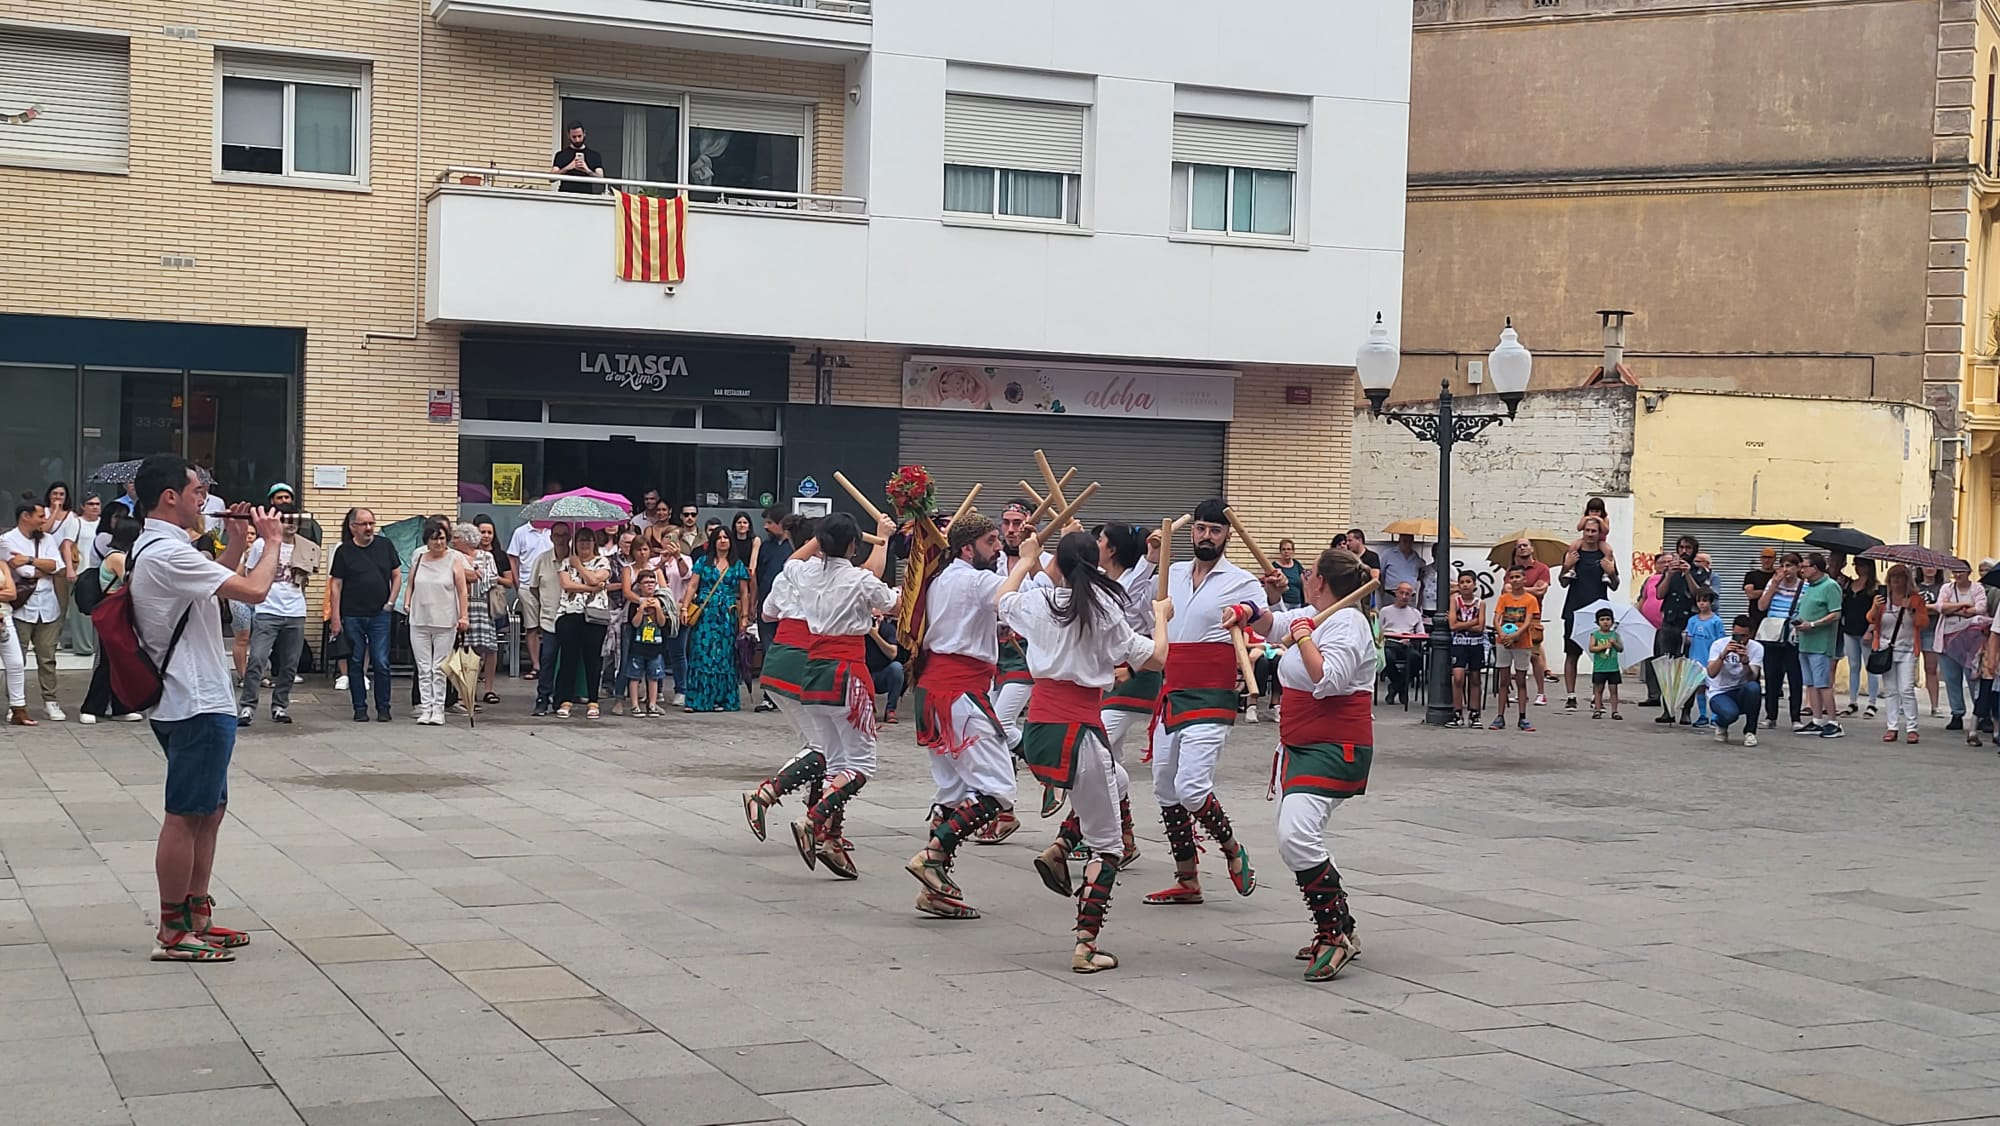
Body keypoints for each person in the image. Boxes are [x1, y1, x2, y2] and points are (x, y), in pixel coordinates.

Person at [130, 454, 285, 962]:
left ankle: (198, 914)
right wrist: (273, 541)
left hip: (201, 696)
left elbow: (208, 588)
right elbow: (256, 591)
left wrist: (239, 541)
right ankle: (173, 930)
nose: (205, 501)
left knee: (209, 812)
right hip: (192, 699)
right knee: (185, 814)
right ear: (170, 496)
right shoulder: (164, 551)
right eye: (198, 492)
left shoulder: (169, 548)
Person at [1005, 529, 1168, 973]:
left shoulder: (1038, 602)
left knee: (1116, 780)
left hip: (1039, 728)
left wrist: (1024, 559)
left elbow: (1003, 599)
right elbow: (1155, 657)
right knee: (1109, 846)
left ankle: (1060, 848)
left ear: (1056, 565)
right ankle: (1085, 945)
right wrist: (1162, 616)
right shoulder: (1105, 609)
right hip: (1078, 731)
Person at [1235, 548, 1374, 981]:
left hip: (1336, 745)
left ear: (1322, 582)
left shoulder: (1349, 623)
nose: (1305, 576)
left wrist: (1304, 635)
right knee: (1292, 836)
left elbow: (1327, 678)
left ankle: (1335, 933)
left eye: (1310, 572)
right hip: (1301, 744)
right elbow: (1272, 624)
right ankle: (1339, 926)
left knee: (1297, 836)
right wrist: (1249, 608)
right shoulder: (1319, 613)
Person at [1147, 498, 1286, 906]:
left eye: (1215, 530)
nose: (1206, 536)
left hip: (1211, 692)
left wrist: (1273, 597)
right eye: (1201, 528)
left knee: (1191, 788)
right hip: (1173, 689)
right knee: (1163, 786)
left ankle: (1230, 849)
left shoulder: (1241, 580)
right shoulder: (1169, 573)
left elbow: (1270, 619)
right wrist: (1149, 560)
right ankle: (1187, 878)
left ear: (1227, 535)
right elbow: (1141, 612)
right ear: (1191, 531)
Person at [903, 513, 1013, 919]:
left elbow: (970, 619)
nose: (998, 547)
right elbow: (1017, 596)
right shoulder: (976, 580)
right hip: (961, 692)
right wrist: (1037, 559)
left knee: (952, 790)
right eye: (990, 541)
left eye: (999, 541)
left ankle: (934, 892)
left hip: (935, 690)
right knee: (998, 789)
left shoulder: (942, 578)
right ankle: (933, 856)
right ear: (967, 548)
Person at [784, 512, 899, 878]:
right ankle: (814, 819)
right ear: (853, 545)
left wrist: (822, 536)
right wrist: (884, 538)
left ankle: (832, 837)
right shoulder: (859, 578)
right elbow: (891, 600)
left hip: (815, 674)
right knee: (862, 765)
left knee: (837, 765)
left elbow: (793, 561)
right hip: (847, 673)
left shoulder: (805, 573)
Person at [741, 515, 828, 846]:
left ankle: (815, 819)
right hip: (804, 664)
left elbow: (768, 614)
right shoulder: (824, 573)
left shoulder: (787, 573)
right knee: (823, 748)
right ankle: (766, 794)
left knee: (817, 745)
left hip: (780, 661)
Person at [1085, 522, 1160, 864]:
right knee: (1109, 760)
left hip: (1135, 675)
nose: (1095, 544)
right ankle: (1122, 838)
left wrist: (1151, 559)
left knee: (1095, 749)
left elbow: (1141, 610)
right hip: (1108, 678)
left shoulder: (1138, 583)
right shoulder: (1102, 579)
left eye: (1099, 540)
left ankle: (1076, 834)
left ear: (1112, 548)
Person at [236, 504, 311, 725]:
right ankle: (248, 706)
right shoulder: (262, 544)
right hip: (268, 609)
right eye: (286, 519)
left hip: (295, 610)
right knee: (258, 658)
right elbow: (250, 572)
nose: (291, 524)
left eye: (294, 520)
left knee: (289, 662)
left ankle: (280, 705)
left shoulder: (303, 546)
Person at [328, 508, 403, 723]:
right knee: (356, 661)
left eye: (371, 523)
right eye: (364, 524)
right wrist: (335, 616)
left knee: (381, 661)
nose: (369, 528)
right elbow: (336, 584)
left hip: (380, 613)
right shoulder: (344, 551)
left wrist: (391, 602)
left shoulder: (384, 545)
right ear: (353, 527)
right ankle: (359, 708)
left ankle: (383, 708)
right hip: (352, 614)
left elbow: (396, 575)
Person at [398, 517, 469, 726]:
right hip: (419, 618)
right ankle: (425, 707)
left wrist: (463, 616)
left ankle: (438, 709)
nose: (438, 543)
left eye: (442, 539)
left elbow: (462, 589)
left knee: (439, 667)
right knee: (423, 667)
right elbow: (410, 582)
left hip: (445, 620)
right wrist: (408, 602)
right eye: (434, 539)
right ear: (426, 540)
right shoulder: (418, 557)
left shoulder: (453, 559)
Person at [4, 501, 65, 720]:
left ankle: (51, 700)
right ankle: (16, 703)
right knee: (16, 659)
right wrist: (40, 567)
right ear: (25, 516)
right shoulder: (7, 539)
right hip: (22, 606)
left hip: (48, 605)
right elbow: (23, 571)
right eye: (40, 516)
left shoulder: (47, 539)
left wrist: (30, 560)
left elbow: (57, 567)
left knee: (47, 656)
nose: (44, 520)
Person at [683, 525, 751, 713]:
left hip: (727, 614)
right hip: (705, 612)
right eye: (719, 537)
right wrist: (684, 608)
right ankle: (698, 700)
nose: (723, 540)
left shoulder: (737, 565)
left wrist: (744, 617)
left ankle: (721, 699)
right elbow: (692, 585)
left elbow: (745, 593)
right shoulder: (703, 562)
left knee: (724, 656)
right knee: (701, 653)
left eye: (726, 537)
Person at [1557, 516, 1620, 712]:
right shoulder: (1573, 553)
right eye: (1587, 531)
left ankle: (1596, 696)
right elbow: (1563, 582)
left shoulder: (1606, 555)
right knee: (1572, 654)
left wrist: (1610, 572)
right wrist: (1566, 566)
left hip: (1598, 612)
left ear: (1599, 533)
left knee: (1600, 654)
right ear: (1582, 532)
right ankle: (1571, 696)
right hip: (1573, 610)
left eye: (1594, 531)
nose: (1590, 534)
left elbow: (1615, 585)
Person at [552, 526, 612, 719]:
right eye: (580, 540)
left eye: (588, 540)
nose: (584, 543)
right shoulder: (566, 562)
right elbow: (567, 585)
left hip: (594, 616)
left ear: (594, 543)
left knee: (593, 660)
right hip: (569, 614)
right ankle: (565, 699)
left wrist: (579, 567)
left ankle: (593, 700)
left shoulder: (602, 561)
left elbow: (597, 578)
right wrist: (591, 588)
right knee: (569, 658)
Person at [1651, 535, 1712, 722]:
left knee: (1688, 668)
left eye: (1688, 548)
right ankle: (1668, 709)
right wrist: (1669, 574)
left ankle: (1686, 710)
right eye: (1681, 547)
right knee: (1666, 665)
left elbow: (1698, 596)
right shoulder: (1669, 571)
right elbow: (1660, 594)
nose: (1684, 551)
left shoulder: (1700, 573)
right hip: (1670, 622)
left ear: (1694, 551)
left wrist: (1688, 575)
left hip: (1690, 624)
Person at [1868, 563, 1928, 744]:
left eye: (1899, 577)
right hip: (1886, 648)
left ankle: (1912, 728)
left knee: (1906, 689)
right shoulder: (1882, 598)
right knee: (1891, 690)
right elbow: (1870, 619)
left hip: (1908, 649)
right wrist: (1875, 607)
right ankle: (1892, 726)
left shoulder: (1916, 599)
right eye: (1892, 577)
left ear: (1906, 580)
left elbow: (1923, 622)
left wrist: (1912, 609)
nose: (1895, 580)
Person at [1794, 552, 1846, 739]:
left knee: (1823, 683)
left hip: (1821, 643)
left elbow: (1835, 613)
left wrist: (1813, 624)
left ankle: (1833, 722)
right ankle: (1817, 720)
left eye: (1805, 566)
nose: (1802, 570)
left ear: (1815, 568)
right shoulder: (1809, 586)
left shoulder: (1830, 586)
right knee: (1811, 683)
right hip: (1805, 642)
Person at [450, 522, 499, 713]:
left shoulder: (487, 556)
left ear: (466, 539)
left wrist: (472, 577)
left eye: (456, 537)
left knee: (482, 650)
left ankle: (481, 691)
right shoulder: (454, 556)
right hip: (462, 606)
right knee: (463, 651)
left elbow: (490, 578)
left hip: (482, 607)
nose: (453, 541)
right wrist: (472, 576)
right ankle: (464, 696)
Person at [527, 523, 573, 716]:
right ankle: (542, 698)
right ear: (551, 537)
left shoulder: (576, 559)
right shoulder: (542, 559)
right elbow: (533, 588)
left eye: (564, 535)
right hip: (549, 618)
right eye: (557, 535)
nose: (561, 539)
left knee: (568, 662)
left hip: (571, 618)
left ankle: (562, 699)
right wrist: (545, 604)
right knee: (547, 660)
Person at [1756, 553, 1806, 731]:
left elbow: (1806, 609)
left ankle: (1795, 717)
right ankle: (1770, 716)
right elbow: (1761, 606)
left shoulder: (1804, 586)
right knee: (1771, 676)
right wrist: (1773, 586)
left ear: (1799, 567)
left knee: (1795, 677)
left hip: (1792, 635)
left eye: (1791, 566)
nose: (1787, 569)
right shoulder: (1773, 583)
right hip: (1772, 634)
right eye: (1784, 565)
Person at [1936, 562, 1984, 744]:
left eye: (1961, 571)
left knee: (1973, 678)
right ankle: (1957, 713)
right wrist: (1964, 606)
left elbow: (1981, 608)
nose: (1958, 574)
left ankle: (1979, 714)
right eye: (1955, 571)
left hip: (1971, 640)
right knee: (1951, 678)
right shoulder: (1946, 588)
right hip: (1947, 638)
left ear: (1969, 572)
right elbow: (1941, 607)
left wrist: (1954, 608)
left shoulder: (1977, 588)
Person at [1488, 566, 1537, 732]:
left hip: (1522, 643)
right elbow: (1496, 619)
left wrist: (1515, 636)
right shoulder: (1504, 598)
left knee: (1521, 680)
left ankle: (1522, 716)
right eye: (1512, 577)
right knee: (1503, 680)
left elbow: (1528, 621)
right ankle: (1500, 715)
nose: (1515, 580)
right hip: (1503, 642)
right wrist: (1502, 634)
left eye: (1518, 577)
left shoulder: (1530, 599)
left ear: (1524, 579)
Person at [1506, 539, 1555, 705]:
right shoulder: (1512, 569)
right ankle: (1522, 693)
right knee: (1518, 655)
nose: (1522, 548)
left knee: (1535, 655)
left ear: (1532, 549)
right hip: (1513, 615)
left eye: (1525, 545)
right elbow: (1505, 590)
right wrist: (1530, 589)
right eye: (1519, 546)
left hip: (1533, 616)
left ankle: (1541, 693)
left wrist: (1518, 588)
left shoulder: (1542, 569)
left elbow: (1541, 590)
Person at [1705, 614, 1765, 746]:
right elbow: (1711, 673)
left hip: (1741, 690)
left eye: (1744, 636)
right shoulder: (1718, 644)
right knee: (1730, 714)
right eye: (1736, 635)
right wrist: (1723, 655)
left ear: (1751, 634)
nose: (1740, 641)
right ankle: (1721, 724)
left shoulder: (1757, 648)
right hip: (1720, 692)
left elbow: (1752, 677)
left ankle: (1750, 732)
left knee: (1754, 687)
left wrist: (1745, 663)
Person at [507, 516, 554, 680]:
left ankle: (550, 664)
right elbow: (513, 558)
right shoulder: (521, 532)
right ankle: (536, 665)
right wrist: (517, 583)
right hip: (527, 584)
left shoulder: (553, 532)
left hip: (551, 585)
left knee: (550, 625)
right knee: (532, 626)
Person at [753, 506, 791, 712]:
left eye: (769, 522)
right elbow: (758, 577)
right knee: (769, 652)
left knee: (787, 652)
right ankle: (769, 695)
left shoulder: (795, 548)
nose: (766, 527)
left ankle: (787, 694)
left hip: (788, 611)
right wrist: (753, 603)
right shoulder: (766, 547)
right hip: (766, 609)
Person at [473, 516, 511, 704]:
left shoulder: (499, 555)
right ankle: (470, 687)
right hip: (473, 604)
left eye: (489, 532)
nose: (486, 536)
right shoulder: (468, 554)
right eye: (482, 532)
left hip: (492, 605)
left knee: (491, 648)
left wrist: (492, 577)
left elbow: (510, 581)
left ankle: (489, 689)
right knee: (473, 647)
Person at [624, 570, 671, 717]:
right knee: (634, 675)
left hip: (655, 645)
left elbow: (663, 623)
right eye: (646, 582)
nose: (649, 585)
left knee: (654, 676)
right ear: (639, 585)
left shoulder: (660, 601)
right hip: (638, 644)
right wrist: (642, 609)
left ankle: (652, 703)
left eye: (652, 582)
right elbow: (635, 623)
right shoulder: (635, 602)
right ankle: (635, 705)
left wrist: (657, 609)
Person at [64, 492, 103, 658]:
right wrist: (69, 569)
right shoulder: (76, 522)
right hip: (81, 571)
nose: (95, 507)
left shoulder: (103, 523)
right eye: (91, 504)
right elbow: (67, 545)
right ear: (83, 506)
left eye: (97, 504)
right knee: (81, 613)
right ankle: (83, 647)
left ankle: (96, 646)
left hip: (100, 573)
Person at [1840, 557, 1882, 717]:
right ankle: (1853, 701)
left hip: (1866, 630)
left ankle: (1872, 703)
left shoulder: (1875, 588)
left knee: (1870, 667)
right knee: (1854, 666)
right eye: (1856, 565)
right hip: (1850, 629)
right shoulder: (1850, 585)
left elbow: (1878, 612)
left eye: (1861, 565)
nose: (1858, 568)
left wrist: (1870, 630)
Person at [1444, 570, 1485, 727]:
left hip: (1476, 644)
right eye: (1462, 582)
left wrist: (1463, 624)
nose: (1465, 585)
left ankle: (1474, 713)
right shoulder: (1455, 601)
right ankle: (1457, 712)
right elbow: (1453, 626)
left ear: (1474, 584)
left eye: (1468, 582)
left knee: (1475, 678)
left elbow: (1480, 627)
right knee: (1458, 677)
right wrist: (1471, 622)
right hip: (1459, 643)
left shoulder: (1480, 603)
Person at [1684, 589, 1728, 730]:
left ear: (1711, 602)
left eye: (1704, 600)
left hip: (1711, 660)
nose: (1701, 604)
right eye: (1699, 601)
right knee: (1700, 688)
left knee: (1713, 688)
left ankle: (1716, 716)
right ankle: (1703, 715)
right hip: (1695, 659)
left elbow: (1721, 641)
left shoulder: (1716, 621)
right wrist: (1685, 637)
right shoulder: (1692, 620)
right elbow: (1688, 639)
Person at [1379, 582, 1425, 705]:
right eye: (1401, 593)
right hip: (1389, 643)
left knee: (1417, 659)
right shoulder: (1385, 611)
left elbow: (1421, 633)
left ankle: (1395, 686)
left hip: (1406, 644)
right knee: (1387, 657)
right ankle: (1401, 686)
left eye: (1407, 594)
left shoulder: (1415, 613)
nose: (1404, 596)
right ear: (1396, 594)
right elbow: (1378, 631)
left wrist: (1411, 638)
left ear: (1411, 596)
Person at [0, 553, 28, 726]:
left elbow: (12, 593)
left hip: (5, 616)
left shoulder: (2, 563)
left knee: (16, 663)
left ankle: (19, 709)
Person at [1916, 565, 1944, 718]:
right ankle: (1903, 704)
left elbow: (1941, 608)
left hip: (1931, 631)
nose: (1930, 569)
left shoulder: (1942, 588)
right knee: (1907, 667)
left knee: (1931, 668)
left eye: (1933, 566)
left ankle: (1935, 706)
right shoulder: (1914, 586)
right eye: (1926, 566)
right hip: (1913, 630)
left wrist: (1922, 608)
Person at [1588, 608, 1623, 720]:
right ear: (1597, 622)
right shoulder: (1595, 635)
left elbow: (1620, 648)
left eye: (1608, 619)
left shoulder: (1615, 635)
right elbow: (1592, 648)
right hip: (1599, 668)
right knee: (1598, 690)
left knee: (1613, 690)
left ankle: (1614, 711)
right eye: (1602, 619)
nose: (1605, 622)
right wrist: (1604, 646)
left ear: (1612, 621)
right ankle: (1597, 709)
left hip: (1613, 668)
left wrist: (1614, 643)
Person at [551, 120, 606, 193]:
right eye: (574, 137)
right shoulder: (561, 155)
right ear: (568, 135)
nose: (577, 140)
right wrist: (568, 167)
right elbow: (551, 178)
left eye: (579, 136)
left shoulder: (594, 156)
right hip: (565, 197)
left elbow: (601, 179)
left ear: (584, 134)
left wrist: (587, 170)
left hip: (585, 197)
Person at [1378, 533, 1428, 600]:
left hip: (1410, 596)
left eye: (1410, 541)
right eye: (1405, 541)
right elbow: (1381, 574)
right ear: (1399, 540)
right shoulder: (1388, 554)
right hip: (1392, 595)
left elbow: (1418, 575)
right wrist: (1381, 592)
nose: (1407, 544)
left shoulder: (1415, 556)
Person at [1743, 546, 1778, 631]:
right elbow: (1750, 594)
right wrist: (1770, 591)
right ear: (1760, 559)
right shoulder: (1751, 575)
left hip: (1774, 616)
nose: (1767, 560)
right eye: (1764, 557)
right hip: (1755, 617)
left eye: (1770, 558)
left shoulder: (1778, 576)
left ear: (1774, 559)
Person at [1275, 539, 1306, 610]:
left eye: (1289, 549)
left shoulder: (1297, 565)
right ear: (1280, 551)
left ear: (1293, 551)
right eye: (1283, 549)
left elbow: (1304, 583)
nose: (1286, 552)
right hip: (1283, 604)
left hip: (1297, 603)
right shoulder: (1275, 566)